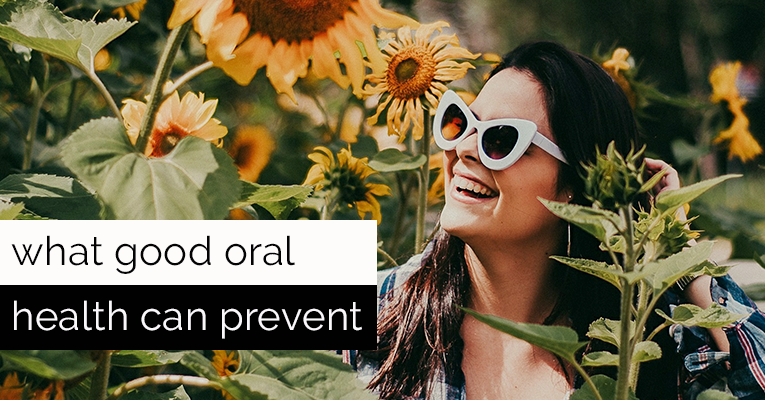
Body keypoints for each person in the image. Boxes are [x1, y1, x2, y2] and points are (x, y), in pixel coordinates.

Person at [347, 41, 765, 399]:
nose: (466, 149)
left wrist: (678, 253)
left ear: (578, 185)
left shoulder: (649, 338)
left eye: (502, 139)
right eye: (460, 121)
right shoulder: (381, 306)